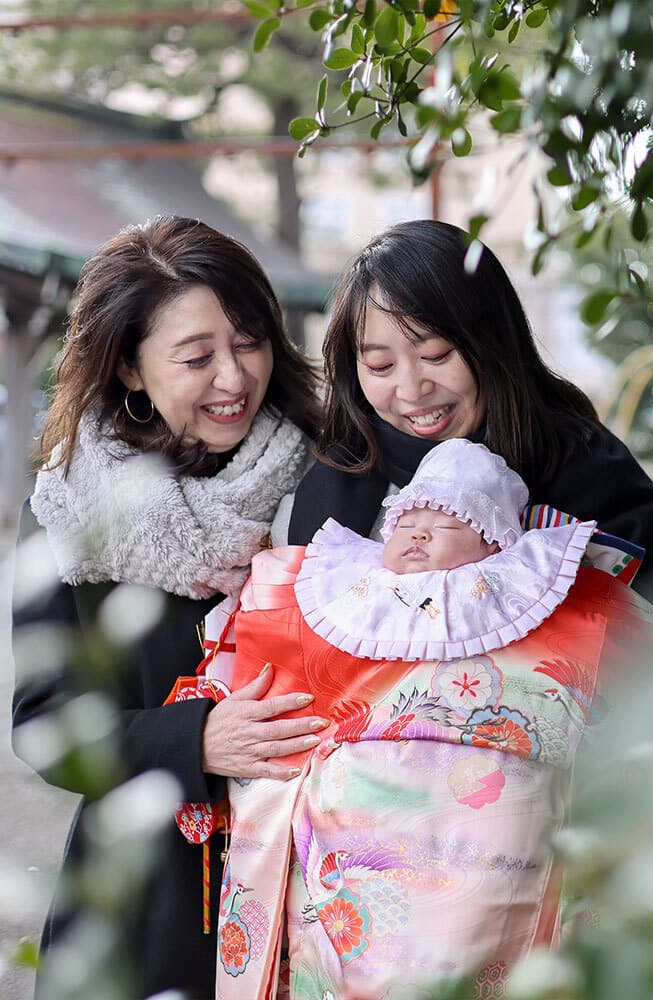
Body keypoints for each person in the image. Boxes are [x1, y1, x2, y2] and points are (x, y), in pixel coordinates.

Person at [198, 438, 653, 999]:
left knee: (474, 932)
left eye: (447, 524)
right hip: (357, 841)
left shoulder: (547, 596)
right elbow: (253, 672)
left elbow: (643, 691)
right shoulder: (336, 589)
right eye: (408, 519)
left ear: (498, 547)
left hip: (485, 837)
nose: (419, 531)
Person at [11, 216, 330, 1000]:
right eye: (197, 357)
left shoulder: (328, 475)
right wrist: (197, 737)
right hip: (140, 908)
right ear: (128, 368)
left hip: (318, 885)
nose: (235, 376)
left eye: (250, 342)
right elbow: (44, 725)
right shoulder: (72, 511)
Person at [287, 219, 653, 606]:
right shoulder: (337, 484)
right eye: (381, 366)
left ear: (494, 342)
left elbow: (627, 640)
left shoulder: (587, 470)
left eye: (436, 356)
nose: (413, 389)